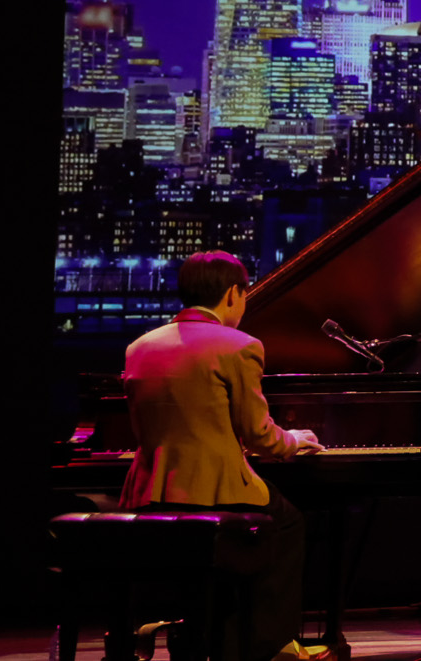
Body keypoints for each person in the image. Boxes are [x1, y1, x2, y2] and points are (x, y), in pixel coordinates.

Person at [121, 251, 325, 661]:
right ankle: (269, 643)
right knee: (288, 523)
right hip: (215, 490)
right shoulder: (239, 346)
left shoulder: (139, 346)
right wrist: (296, 439)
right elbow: (260, 435)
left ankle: (214, 633)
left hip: (149, 491)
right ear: (233, 293)